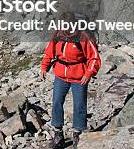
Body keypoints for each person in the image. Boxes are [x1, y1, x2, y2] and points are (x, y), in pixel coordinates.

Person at [40, 14, 101, 149]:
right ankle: (58, 133)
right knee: (56, 102)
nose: (65, 30)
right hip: (61, 75)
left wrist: (89, 73)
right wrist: (44, 66)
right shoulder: (58, 35)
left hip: (79, 76)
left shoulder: (84, 37)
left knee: (79, 105)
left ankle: (77, 135)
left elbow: (94, 58)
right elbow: (49, 52)